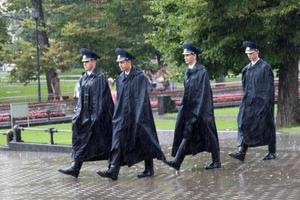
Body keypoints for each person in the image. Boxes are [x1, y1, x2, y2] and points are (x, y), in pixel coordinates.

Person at [97, 48, 165, 180]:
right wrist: (116, 116)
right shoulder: (120, 78)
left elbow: (141, 98)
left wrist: (138, 117)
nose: (120, 65)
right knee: (117, 140)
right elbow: (119, 99)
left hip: (139, 115)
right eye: (119, 63)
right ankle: (113, 169)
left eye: (122, 62)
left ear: (129, 62)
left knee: (144, 140)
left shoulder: (139, 77)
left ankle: (149, 169)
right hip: (122, 116)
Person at [58, 48, 114, 178]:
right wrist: (77, 114)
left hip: (99, 118)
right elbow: (81, 100)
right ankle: (75, 167)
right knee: (79, 140)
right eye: (83, 62)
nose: (84, 64)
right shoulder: (83, 78)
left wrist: (95, 117)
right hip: (84, 117)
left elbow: (100, 100)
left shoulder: (100, 78)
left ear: (94, 62)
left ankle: (112, 168)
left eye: (87, 61)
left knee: (106, 142)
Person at [164, 42, 221, 171]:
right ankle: (177, 162)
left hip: (202, 110)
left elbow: (203, 92)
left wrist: (198, 112)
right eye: (184, 55)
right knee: (187, 133)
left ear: (194, 55)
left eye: (187, 55)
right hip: (190, 109)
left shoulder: (201, 71)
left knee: (209, 134)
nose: (185, 57)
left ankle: (216, 161)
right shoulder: (188, 71)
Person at [228, 41, 276, 161]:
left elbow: (269, 87)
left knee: (268, 125)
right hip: (249, 102)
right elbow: (245, 86)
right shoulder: (246, 69)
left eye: (251, 53)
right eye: (247, 53)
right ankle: (242, 152)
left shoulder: (265, 67)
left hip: (262, 102)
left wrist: (267, 103)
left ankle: (272, 151)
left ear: (257, 52)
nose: (249, 55)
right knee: (244, 124)